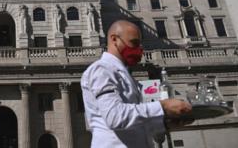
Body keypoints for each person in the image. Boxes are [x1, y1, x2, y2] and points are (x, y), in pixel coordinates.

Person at [81, 20, 193, 148]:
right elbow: (115, 117)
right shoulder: (102, 70)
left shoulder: (123, 74)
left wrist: (164, 123)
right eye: (134, 43)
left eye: (140, 44)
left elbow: (133, 122)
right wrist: (163, 106)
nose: (139, 49)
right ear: (114, 40)